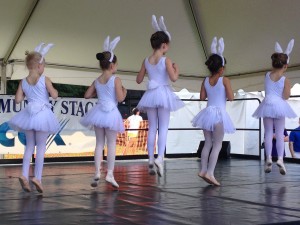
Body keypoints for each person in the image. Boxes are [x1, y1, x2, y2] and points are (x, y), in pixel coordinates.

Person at [136, 15, 184, 176]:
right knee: (163, 128)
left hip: (150, 95)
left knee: (152, 128)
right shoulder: (166, 60)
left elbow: (138, 79)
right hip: (163, 93)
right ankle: (160, 157)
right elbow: (174, 78)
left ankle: (150, 159)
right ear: (164, 45)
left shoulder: (146, 60)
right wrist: (176, 68)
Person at [8, 43, 59, 193]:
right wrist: (54, 91)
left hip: (29, 115)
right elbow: (54, 95)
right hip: (43, 114)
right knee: (41, 147)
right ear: (39, 65)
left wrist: (24, 92)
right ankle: (37, 178)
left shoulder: (23, 81)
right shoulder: (45, 79)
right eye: (43, 65)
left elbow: (17, 100)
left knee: (29, 146)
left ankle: (24, 175)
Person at [80, 36, 126, 188]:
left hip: (99, 112)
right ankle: (110, 174)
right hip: (111, 113)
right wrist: (124, 91)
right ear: (112, 65)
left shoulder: (97, 80)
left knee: (99, 143)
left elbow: (86, 95)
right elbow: (120, 98)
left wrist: (96, 93)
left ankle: (97, 172)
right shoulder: (116, 79)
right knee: (111, 143)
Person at [192, 37, 235, 186]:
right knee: (217, 144)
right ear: (221, 68)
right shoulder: (225, 80)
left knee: (207, 143)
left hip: (208, 113)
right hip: (219, 114)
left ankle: (203, 170)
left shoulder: (205, 80)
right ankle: (210, 173)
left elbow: (202, 97)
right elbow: (231, 98)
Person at [253, 39, 297, 175]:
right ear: (286, 65)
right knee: (279, 134)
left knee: (267, 133)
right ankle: (280, 159)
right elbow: (286, 97)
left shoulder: (266, 75)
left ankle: (268, 158)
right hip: (279, 105)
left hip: (267, 104)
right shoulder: (285, 80)